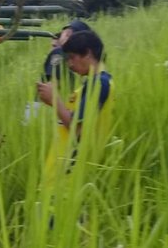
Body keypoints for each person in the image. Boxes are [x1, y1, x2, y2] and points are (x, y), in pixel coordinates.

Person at [37, 30, 114, 188]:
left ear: (87, 53)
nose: (70, 65)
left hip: (69, 175)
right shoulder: (97, 83)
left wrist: (55, 100)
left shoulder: (100, 83)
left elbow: (77, 127)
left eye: (72, 58)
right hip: (68, 172)